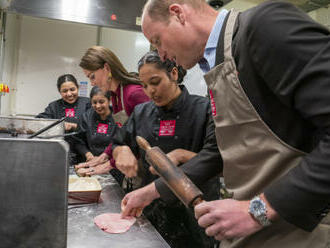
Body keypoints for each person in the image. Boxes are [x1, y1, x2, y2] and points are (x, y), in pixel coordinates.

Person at [124, 0, 330, 247]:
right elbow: (219, 153)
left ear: (178, 13)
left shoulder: (265, 26)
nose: (161, 54)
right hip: (256, 230)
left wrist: (257, 211)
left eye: (158, 41)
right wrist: (152, 191)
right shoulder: (218, 64)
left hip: (300, 230)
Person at [114, 51, 221, 248]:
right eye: (145, 86)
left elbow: (217, 161)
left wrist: (182, 155)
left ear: (173, 73)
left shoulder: (204, 109)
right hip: (152, 209)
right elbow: (118, 143)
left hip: (196, 211)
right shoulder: (141, 112)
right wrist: (122, 151)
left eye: (155, 82)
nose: (150, 91)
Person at [76, 46, 150, 177]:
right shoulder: (116, 96)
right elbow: (121, 134)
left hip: (148, 165)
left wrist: (108, 165)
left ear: (107, 68)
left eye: (92, 76)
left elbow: (145, 137)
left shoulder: (133, 93)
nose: (92, 83)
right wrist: (104, 156)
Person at [36, 74, 91, 165]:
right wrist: (58, 125)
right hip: (60, 154)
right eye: (64, 91)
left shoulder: (87, 103)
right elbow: (39, 121)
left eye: (72, 89)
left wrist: (74, 126)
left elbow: (94, 126)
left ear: (78, 87)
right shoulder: (54, 106)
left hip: (86, 154)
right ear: (59, 91)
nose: (69, 94)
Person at [74, 86, 124, 184]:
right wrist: (88, 155)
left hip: (113, 166)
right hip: (91, 164)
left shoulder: (118, 116)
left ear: (109, 100)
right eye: (94, 102)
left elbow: (121, 142)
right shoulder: (86, 117)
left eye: (101, 102)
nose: (97, 106)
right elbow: (78, 141)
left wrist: (105, 159)